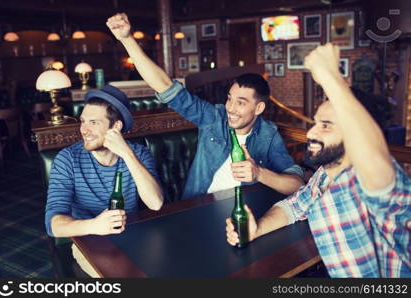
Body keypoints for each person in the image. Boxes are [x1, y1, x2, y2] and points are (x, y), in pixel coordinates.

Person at [226, 43, 411, 277]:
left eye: (326, 126)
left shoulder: (372, 180)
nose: (311, 133)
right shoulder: (323, 176)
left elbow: (374, 159)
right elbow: (292, 207)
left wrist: (330, 77)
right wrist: (258, 228)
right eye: (315, 123)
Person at [106, 13, 304, 200]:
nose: (231, 108)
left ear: (259, 108)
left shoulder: (268, 135)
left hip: (243, 209)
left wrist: (259, 173)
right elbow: (166, 87)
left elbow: (296, 184)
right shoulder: (214, 118)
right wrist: (127, 39)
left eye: (241, 103)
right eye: (229, 99)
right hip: (200, 206)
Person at [45, 85, 163, 277]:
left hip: (135, 234)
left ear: (116, 127)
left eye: (93, 122)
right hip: (89, 241)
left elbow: (155, 203)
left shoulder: (138, 154)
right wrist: (94, 225)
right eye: (83, 121)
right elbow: (54, 225)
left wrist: (126, 154)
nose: (84, 130)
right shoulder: (67, 159)